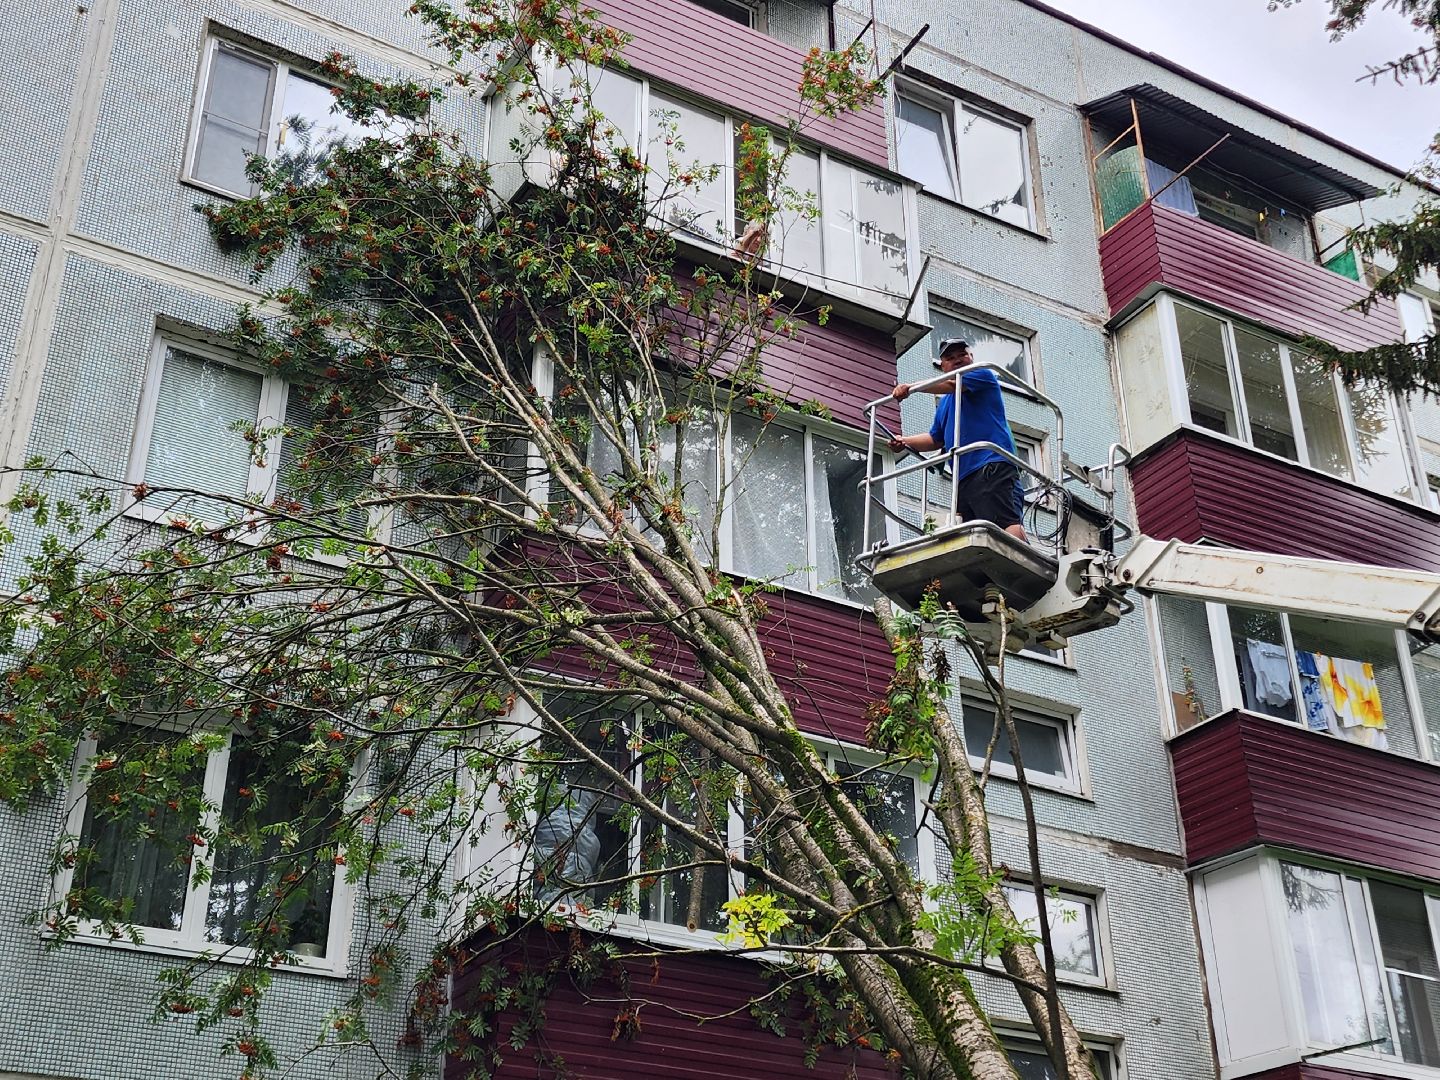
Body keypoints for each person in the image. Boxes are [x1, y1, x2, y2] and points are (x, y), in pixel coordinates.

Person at [889, 338, 1027, 541]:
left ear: (971, 357)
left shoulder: (982, 375)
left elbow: (953, 384)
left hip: (991, 463)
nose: (957, 360)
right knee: (973, 532)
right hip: (962, 477)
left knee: (1003, 521)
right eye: (950, 357)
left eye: (962, 355)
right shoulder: (945, 403)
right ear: (942, 365)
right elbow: (934, 439)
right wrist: (904, 441)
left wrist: (911, 388)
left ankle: (1021, 566)